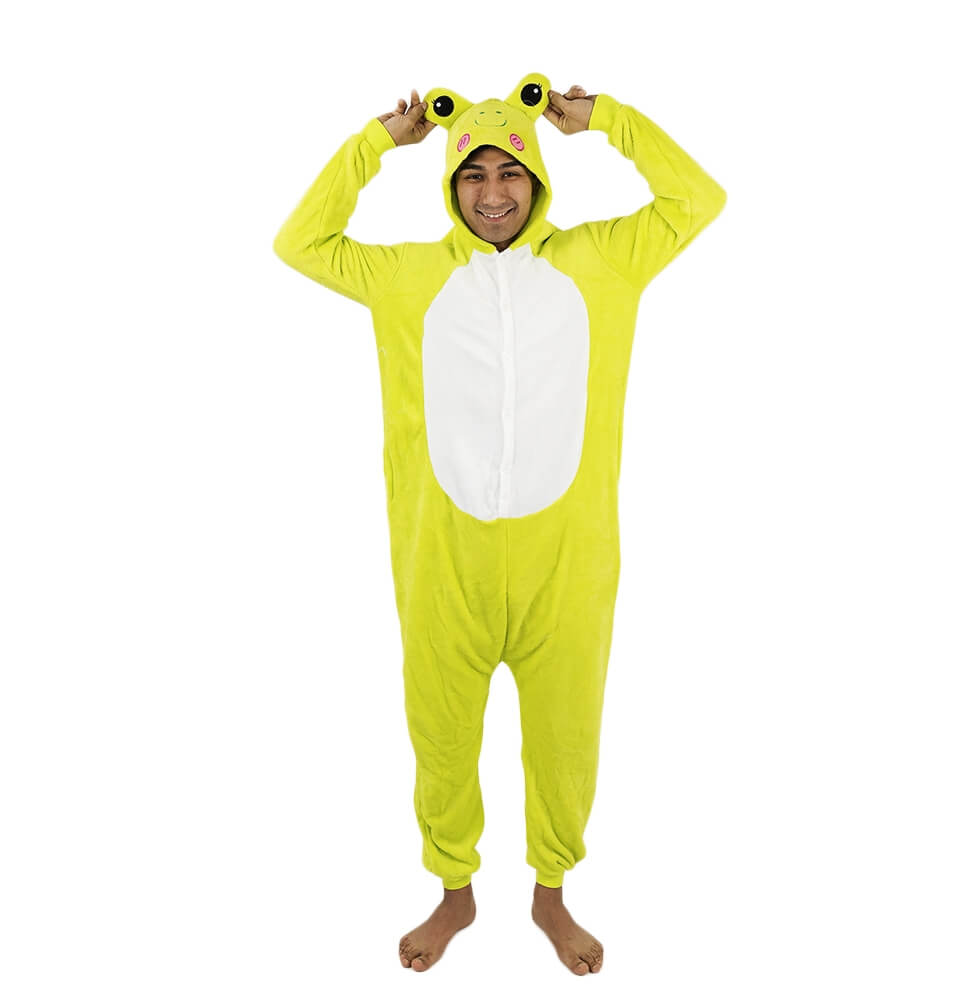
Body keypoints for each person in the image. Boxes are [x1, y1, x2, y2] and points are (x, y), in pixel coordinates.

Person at [273, 73, 726, 975]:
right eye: (472, 174)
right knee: (441, 736)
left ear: (538, 180)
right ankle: (455, 890)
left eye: (510, 172)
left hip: (570, 562)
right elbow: (300, 242)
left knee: (566, 738)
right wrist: (376, 142)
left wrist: (608, 121)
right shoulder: (406, 277)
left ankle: (551, 893)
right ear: (449, 184)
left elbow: (697, 199)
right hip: (444, 562)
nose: (492, 192)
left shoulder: (602, 261)